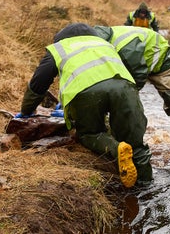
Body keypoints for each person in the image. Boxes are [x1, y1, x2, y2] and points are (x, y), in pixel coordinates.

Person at [17, 23, 152, 188]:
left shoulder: (59, 48)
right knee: (137, 144)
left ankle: (116, 148)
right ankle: (147, 188)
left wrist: (26, 111)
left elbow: (39, 83)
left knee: (90, 133)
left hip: (85, 91)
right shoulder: (105, 44)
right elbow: (128, 69)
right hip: (124, 87)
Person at [94, 25, 170, 157]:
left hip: (161, 60)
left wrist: (124, 100)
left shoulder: (125, 47)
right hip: (138, 61)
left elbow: (137, 76)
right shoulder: (102, 43)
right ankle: (120, 142)